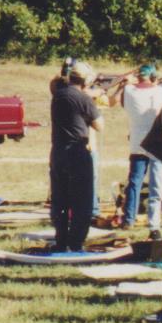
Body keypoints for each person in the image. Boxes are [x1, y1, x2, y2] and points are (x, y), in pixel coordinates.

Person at [49, 60, 103, 252]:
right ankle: (76, 241)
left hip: (57, 152)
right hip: (78, 151)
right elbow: (99, 125)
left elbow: (56, 82)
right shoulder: (84, 99)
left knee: (60, 198)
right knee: (82, 200)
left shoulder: (58, 94)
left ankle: (61, 240)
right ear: (86, 81)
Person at [114, 64, 162, 237]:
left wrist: (126, 81)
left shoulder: (129, 91)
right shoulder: (160, 91)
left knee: (134, 182)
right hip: (157, 141)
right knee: (161, 182)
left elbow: (124, 96)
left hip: (137, 142)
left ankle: (129, 219)